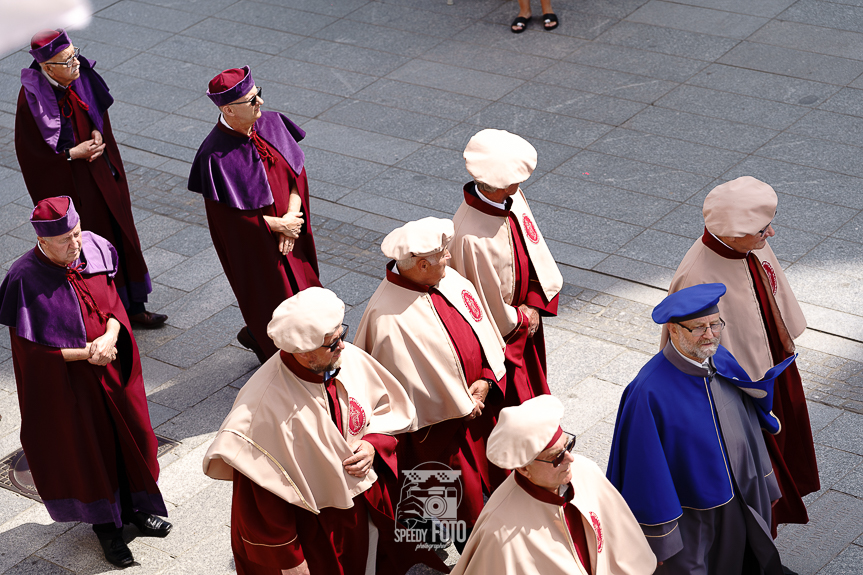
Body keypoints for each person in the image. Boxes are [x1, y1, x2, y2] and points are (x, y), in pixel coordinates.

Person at [202, 288, 446, 575]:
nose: (343, 346)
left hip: (365, 507)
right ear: (305, 354)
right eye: (332, 343)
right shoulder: (261, 408)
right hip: (318, 528)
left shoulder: (344, 358)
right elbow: (260, 497)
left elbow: (385, 409)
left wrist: (371, 445)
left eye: (341, 335)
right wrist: (291, 561)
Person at [0, 197, 171, 568]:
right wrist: (86, 355)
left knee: (133, 437)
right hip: (71, 387)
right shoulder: (24, 278)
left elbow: (114, 305)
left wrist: (111, 337)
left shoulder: (93, 247)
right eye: (64, 240)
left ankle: (137, 510)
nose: (75, 244)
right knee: (92, 452)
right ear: (43, 242)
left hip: (114, 367)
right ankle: (108, 532)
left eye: (76, 233)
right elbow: (31, 356)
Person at [607, 283, 798, 575]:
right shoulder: (647, 392)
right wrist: (661, 539)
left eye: (715, 324)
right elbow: (644, 472)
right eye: (698, 328)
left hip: (742, 497)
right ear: (673, 330)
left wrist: (765, 482)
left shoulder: (721, 359)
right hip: (693, 516)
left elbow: (748, 426)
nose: (709, 335)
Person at [664, 176, 817, 534]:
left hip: (771, 368)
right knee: (756, 468)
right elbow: (693, 352)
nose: (771, 234)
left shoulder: (750, 243)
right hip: (739, 390)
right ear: (733, 234)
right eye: (763, 229)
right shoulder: (696, 277)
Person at [354, 217, 507, 550]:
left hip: (476, 407)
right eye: (443, 255)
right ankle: (463, 558)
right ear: (422, 265)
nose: (449, 258)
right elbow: (406, 391)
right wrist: (459, 404)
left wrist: (484, 375)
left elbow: (479, 329)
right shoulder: (387, 319)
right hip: (436, 433)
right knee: (451, 501)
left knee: (486, 485)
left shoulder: (446, 279)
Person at [15, 29, 165, 328]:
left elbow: (98, 112)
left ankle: (134, 305)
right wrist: (72, 154)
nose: (76, 63)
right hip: (73, 183)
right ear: (47, 68)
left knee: (121, 233)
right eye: (67, 61)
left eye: (74, 54)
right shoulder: (32, 99)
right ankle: (103, 313)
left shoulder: (80, 74)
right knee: (89, 243)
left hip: (101, 170)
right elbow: (33, 157)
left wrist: (98, 132)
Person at [188, 66, 320, 364]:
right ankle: (278, 351)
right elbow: (226, 222)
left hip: (292, 231)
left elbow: (296, 175)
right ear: (228, 110)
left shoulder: (272, 123)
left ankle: (316, 342)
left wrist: (293, 217)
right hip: (258, 246)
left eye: (258, 94)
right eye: (251, 100)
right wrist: (276, 225)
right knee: (273, 299)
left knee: (307, 288)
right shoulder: (214, 155)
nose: (259, 102)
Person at [452, 395, 656, 575]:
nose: (571, 459)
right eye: (556, 457)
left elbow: (621, 540)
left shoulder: (586, 470)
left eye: (569, 445)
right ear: (524, 469)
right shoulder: (499, 531)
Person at [450, 129, 562, 413]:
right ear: (504, 184)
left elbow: (533, 250)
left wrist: (536, 300)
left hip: (526, 318)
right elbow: (484, 308)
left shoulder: (512, 198)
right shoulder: (470, 237)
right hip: (507, 339)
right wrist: (524, 317)